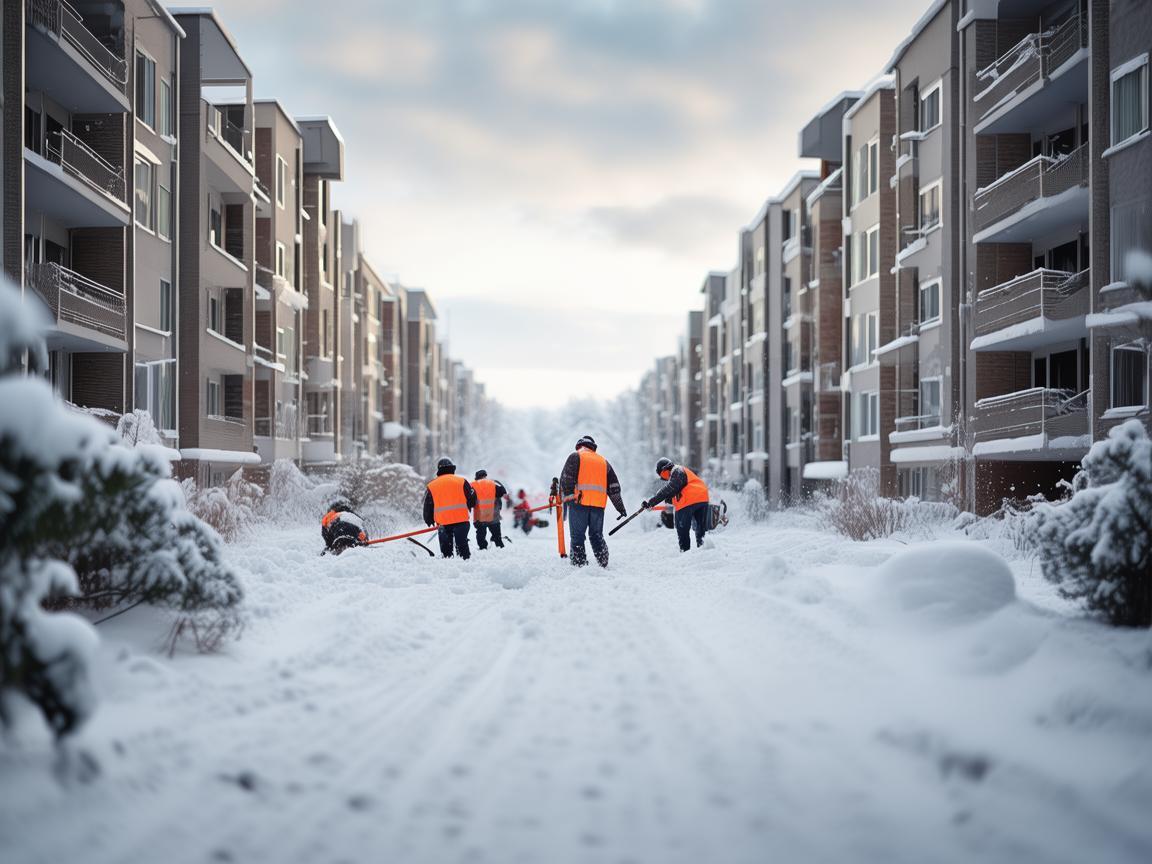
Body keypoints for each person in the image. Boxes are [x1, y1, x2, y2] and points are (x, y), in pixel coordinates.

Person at [559, 435, 627, 567]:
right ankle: (603, 562)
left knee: (577, 536)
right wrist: (620, 507)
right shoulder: (603, 462)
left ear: (579, 446)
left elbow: (566, 479)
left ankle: (579, 564)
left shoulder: (576, 456)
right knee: (596, 535)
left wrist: (568, 498)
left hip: (579, 504)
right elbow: (614, 488)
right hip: (598, 506)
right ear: (593, 447)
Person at [642, 458, 711, 552]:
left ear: (663, 470)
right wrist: (661, 502)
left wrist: (651, 502)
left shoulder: (677, 470)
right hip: (703, 498)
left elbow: (668, 489)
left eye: (661, 475)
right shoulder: (683, 473)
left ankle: (685, 553)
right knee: (700, 528)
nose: (663, 478)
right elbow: (674, 492)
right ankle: (704, 551)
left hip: (688, 501)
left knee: (682, 529)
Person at [423, 457, 477, 559]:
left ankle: (447, 566)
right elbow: (472, 499)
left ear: (439, 470)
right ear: (452, 468)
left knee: (446, 551)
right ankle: (465, 564)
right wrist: (469, 505)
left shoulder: (432, 485)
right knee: (462, 547)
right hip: (461, 520)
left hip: (443, 523)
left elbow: (428, 505)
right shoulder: (462, 481)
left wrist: (428, 519)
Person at [472, 469, 508, 550]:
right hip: (493, 514)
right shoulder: (493, 483)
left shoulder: (474, 485)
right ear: (485, 475)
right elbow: (503, 492)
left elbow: (470, 498)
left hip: (480, 515)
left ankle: (483, 548)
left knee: (481, 534)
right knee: (496, 533)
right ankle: (500, 546)